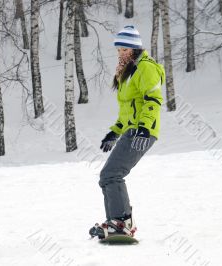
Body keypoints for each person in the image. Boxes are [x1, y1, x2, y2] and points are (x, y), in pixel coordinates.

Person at [89, 25, 165, 239]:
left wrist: (143, 129)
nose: (121, 54)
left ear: (135, 49)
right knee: (108, 176)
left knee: (111, 174)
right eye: (119, 50)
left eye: (125, 49)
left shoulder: (146, 68)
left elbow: (153, 100)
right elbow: (127, 112)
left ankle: (121, 223)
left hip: (143, 131)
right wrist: (115, 132)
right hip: (133, 130)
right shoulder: (127, 73)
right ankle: (116, 222)